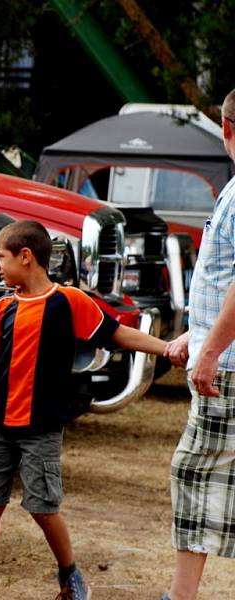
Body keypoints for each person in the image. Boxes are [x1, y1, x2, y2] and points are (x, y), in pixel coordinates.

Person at [0, 220, 170, 600]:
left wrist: (166, 349)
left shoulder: (69, 301)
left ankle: (70, 577)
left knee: (43, 507)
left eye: (0, 258)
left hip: (42, 427)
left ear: (26, 256)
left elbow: (117, 334)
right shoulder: (4, 307)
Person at [159, 89, 235, 600]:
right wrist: (198, 332)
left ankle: (180, 598)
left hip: (228, 365)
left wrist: (210, 351)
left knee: (194, 472)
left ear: (227, 129)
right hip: (224, 349)